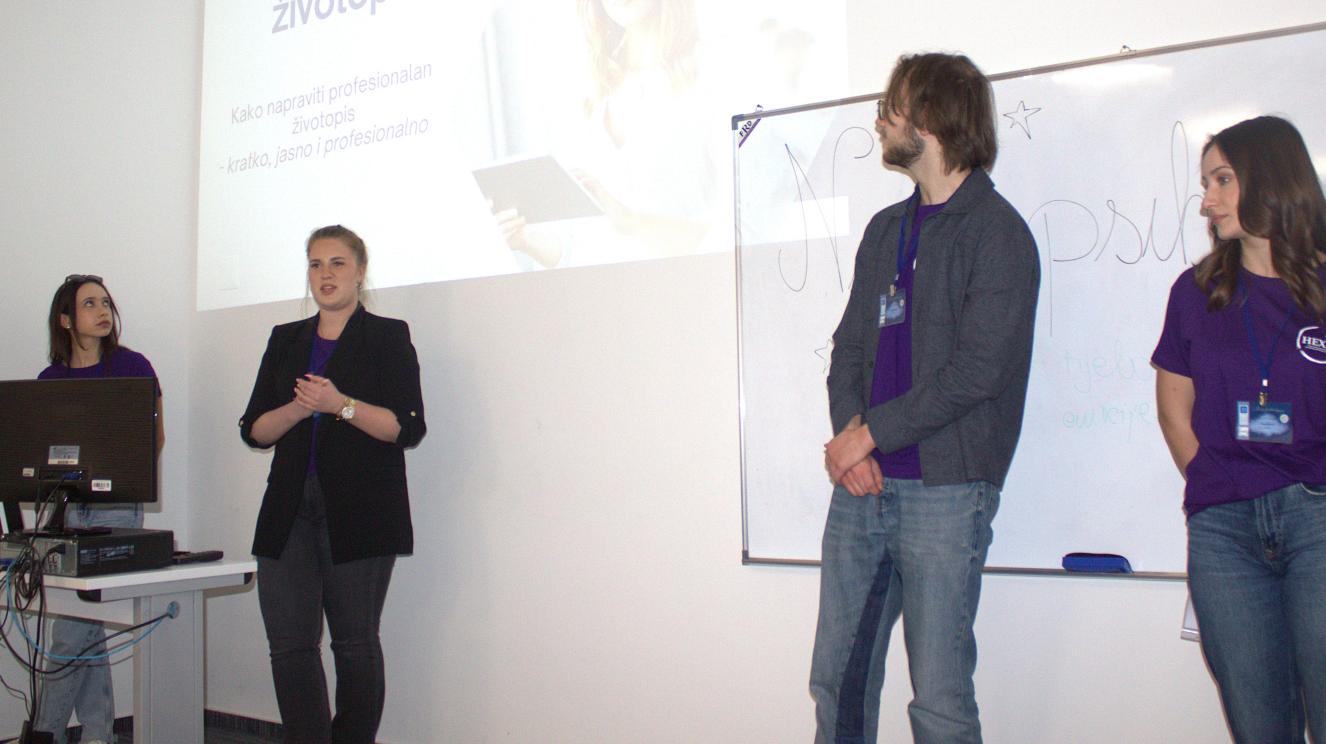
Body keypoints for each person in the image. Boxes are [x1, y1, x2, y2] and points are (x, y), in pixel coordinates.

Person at [811, 53, 1040, 743]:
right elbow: (848, 348)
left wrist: (868, 436)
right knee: (837, 682)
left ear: (934, 117)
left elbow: (977, 372)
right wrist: (852, 438)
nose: (881, 120)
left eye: (894, 106)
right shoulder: (887, 229)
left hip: (948, 492)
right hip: (863, 488)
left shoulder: (998, 234)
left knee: (938, 701)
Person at [1153, 115, 1326, 743]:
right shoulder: (1195, 291)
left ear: (1271, 177)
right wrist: (1211, 477)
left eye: (1222, 180)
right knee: (1258, 726)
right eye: (1207, 184)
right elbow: (1173, 405)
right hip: (1224, 530)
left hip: (1318, 519)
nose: (1208, 200)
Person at [238, 225, 426, 744]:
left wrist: (339, 405)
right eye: (316, 264)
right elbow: (255, 430)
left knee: (354, 643)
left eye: (337, 263)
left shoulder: (387, 336)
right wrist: (300, 409)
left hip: (362, 507)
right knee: (289, 645)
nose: (325, 274)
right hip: (288, 509)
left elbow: (406, 428)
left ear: (360, 271)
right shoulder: (286, 339)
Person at [36, 274, 164, 744]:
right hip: (67, 512)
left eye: (106, 302)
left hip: (116, 510)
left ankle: (44, 734)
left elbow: (154, 438)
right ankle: (97, 735)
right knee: (83, 628)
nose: (103, 311)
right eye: (90, 304)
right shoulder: (50, 380)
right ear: (66, 319)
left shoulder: (132, 365)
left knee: (70, 634)